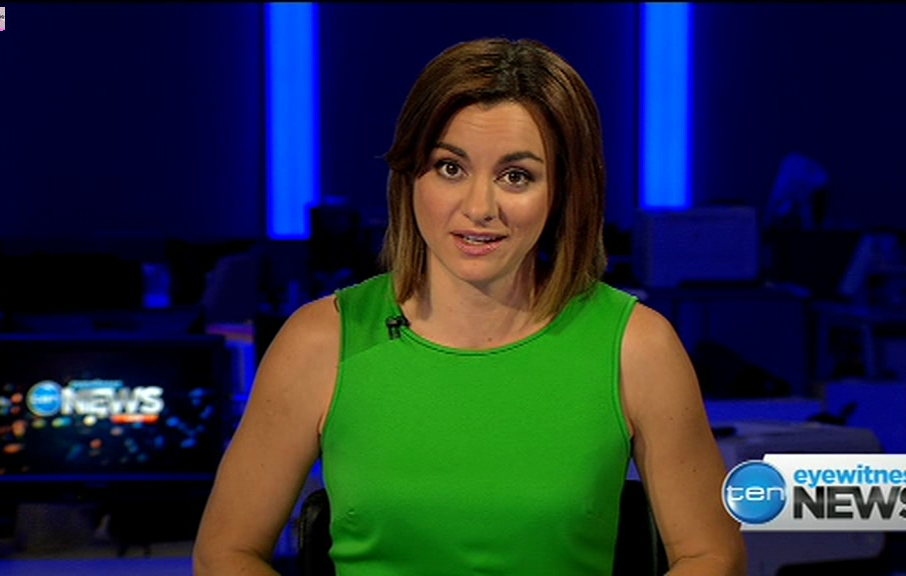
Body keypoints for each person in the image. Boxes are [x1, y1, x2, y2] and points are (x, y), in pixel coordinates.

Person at [193, 37, 746, 575]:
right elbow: (225, 554)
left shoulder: (637, 347)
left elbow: (712, 557)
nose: (479, 207)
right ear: (411, 175)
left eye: (516, 176)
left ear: (563, 192)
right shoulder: (319, 341)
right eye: (450, 168)